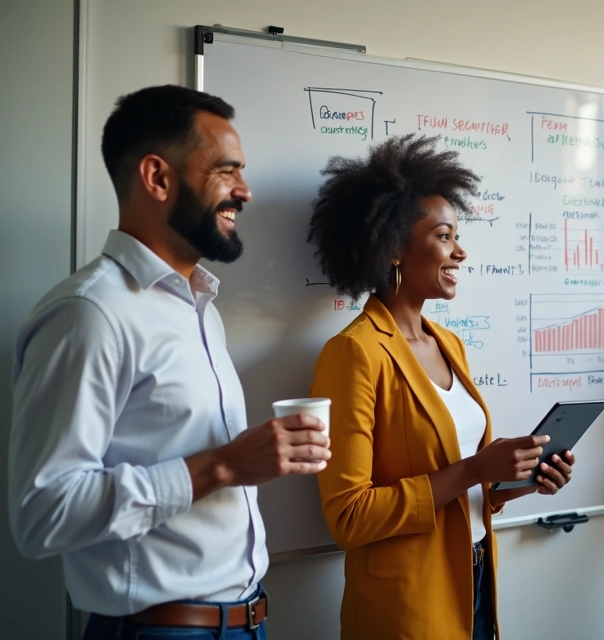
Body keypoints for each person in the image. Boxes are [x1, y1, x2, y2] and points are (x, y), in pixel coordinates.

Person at [8, 85, 331, 640]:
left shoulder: (200, 307)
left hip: (246, 622)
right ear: (157, 178)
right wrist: (224, 466)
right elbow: (42, 514)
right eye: (226, 171)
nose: (245, 191)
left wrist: (252, 457)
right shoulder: (89, 314)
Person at [308, 133, 575, 640]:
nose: (461, 252)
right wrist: (476, 467)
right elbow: (349, 517)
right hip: (407, 606)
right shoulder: (354, 353)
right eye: (445, 236)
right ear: (394, 250)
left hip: (474, 578)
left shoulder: (448, 342)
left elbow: (457, 487)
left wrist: (513, 480)